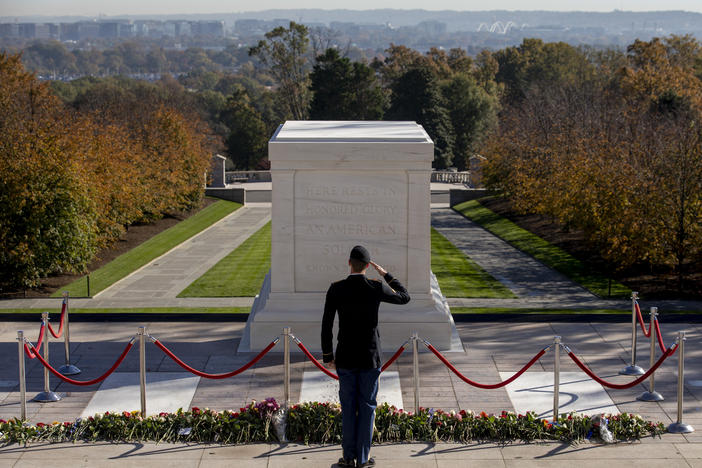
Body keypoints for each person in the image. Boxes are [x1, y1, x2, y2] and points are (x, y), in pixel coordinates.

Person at [322, 245, 411, 468]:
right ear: (368, 266)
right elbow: (405, 297)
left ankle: (348, 457)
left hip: (345, 357)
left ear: (349, 263)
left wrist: (327, 355)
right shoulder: (375, 287)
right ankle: (362, 459)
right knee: (367, 406)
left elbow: (326, 325)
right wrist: (386, 275)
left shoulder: (336, 289)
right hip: (370, 358)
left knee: (349, 407)